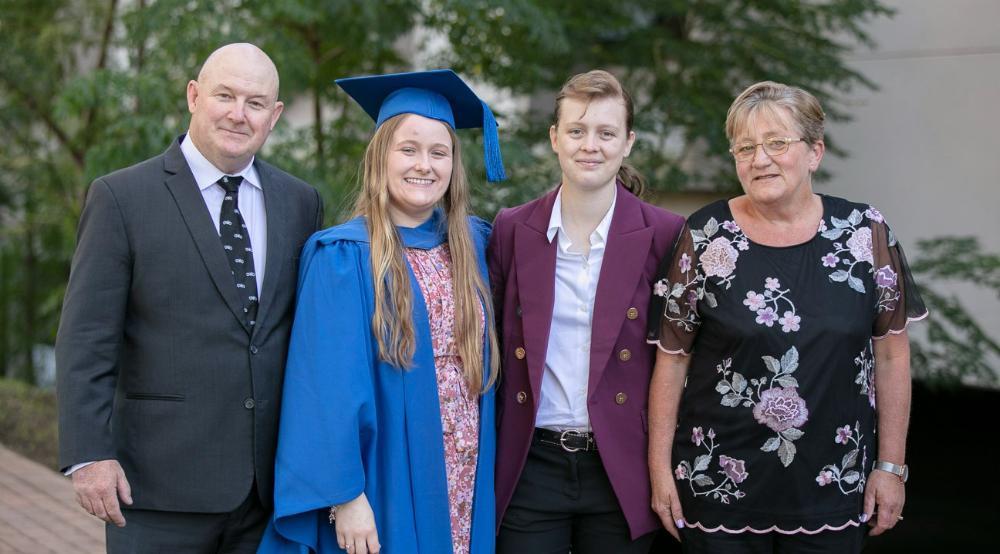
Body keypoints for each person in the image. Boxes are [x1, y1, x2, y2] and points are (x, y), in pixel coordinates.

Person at [55, 43, 323, 551]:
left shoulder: (300, 202)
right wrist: (88, 455)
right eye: (225, 95)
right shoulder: (121, 197)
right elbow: (86, 338)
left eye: (256, 102)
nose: (238, 114)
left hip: (269, 493)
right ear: (194, 95)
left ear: (275, 115)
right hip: (156, 488)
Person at [646, 81, 928, 553]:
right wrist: (659, 472)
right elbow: (672, 361)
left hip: (836, 482)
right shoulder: (706, 236)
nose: (760, 159)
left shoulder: (865, 234)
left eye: (777, 143)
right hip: (719, 484)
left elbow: (893, 358)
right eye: (746, 147)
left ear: (815, 152)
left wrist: (891, 467)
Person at [256, 69, 504, 554]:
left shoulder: (475, 242)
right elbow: (324, 386)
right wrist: (344, 496)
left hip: (466, 470)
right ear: (380, 157)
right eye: (408, 149)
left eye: (440, 152)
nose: (424, 165)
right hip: (386, 470)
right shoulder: (344, 255)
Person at [489, 70, 685, 553]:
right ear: (555, 138)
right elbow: (488, 343)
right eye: (576, 131)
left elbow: (679, 358)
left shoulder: (666, 233)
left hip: (622, 464)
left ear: (628, 143)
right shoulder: (513, 228)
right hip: (530, 463)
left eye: (606, 132)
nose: (589, 145)